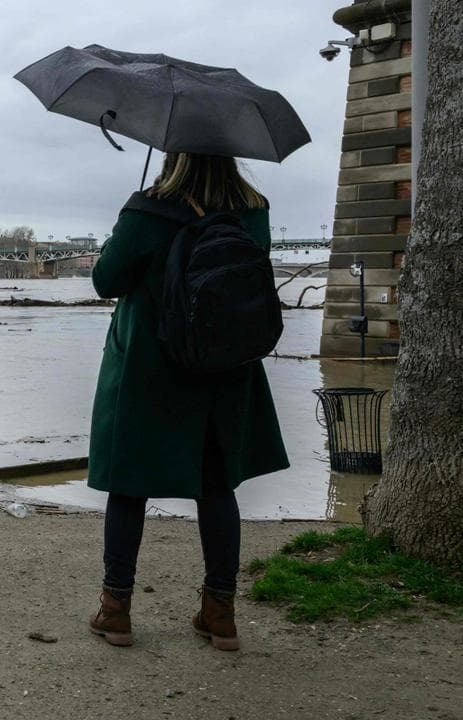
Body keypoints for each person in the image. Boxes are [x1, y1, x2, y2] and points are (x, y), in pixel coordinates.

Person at [86, 152, 288, 652]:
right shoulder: (253, 209)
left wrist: (125, 227)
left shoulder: (147, 211)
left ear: (173, 154)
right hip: (224, 368)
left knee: (128, 486)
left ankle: (116, 613)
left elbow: (105, 281)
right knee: (217, 488)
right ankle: (219, 614)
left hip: (148, 370)